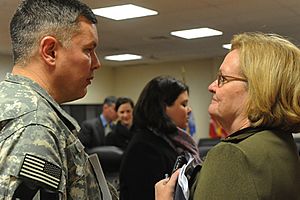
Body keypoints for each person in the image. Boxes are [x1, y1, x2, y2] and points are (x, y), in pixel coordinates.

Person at [155, 32, 300, 200]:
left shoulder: (233, 155)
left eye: (222, 79)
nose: (211, 86)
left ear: (258, 89)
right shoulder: (280, 143)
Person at [0, 0, 118, 199]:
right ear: (50, 51)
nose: (97, 63)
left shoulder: (10, 103)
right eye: (88, 50)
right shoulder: (36, 126)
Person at [119, 75, 200, 200]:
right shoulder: (143, 149)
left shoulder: (171, 141)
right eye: (183, 104)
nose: (189, 110)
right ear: (163, 108)